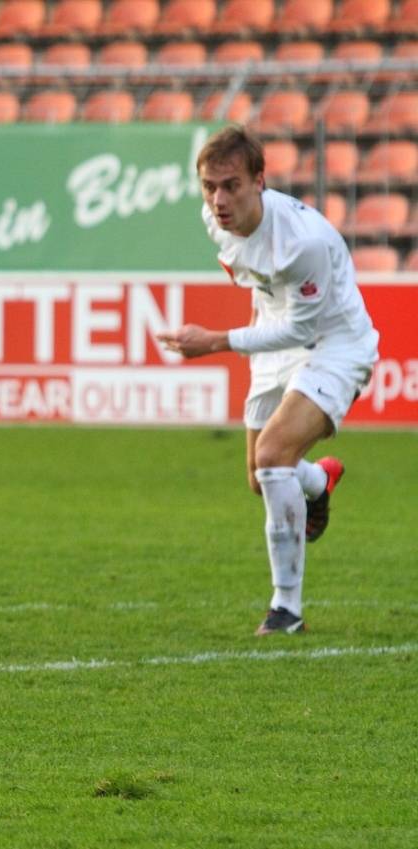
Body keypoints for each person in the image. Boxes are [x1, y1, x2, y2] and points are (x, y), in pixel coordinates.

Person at [157, 125, 379, 636]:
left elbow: (302, 327)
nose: (218, 199)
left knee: (275, 455)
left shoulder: (302, 243)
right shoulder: (216, 220)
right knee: (260, 479)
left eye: (231, 185)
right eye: (209, 186)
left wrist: (214, 341)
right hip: (273, 335)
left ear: (260, 180)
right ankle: (318, 483)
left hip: (333, 343)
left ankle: (287, 611)